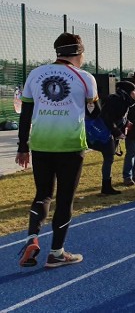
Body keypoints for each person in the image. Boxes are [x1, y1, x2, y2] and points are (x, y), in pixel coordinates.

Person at [15, 32, 96, 268]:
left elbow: (25, 115)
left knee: (43, 195)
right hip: (70, 146)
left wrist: (22, 147)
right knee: (64, 199)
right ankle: (57, 252)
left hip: (41, 144)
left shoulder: (36, 74)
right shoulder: (84, 78)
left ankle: (32, 237)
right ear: (78, 53)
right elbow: (95, 112)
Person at [98, 80, 135, 195]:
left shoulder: (123, 101)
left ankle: (106, 186)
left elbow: (116, 118)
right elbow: (107, 118)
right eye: (133, 91)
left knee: (109, 159)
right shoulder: (116, 100)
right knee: (108, 159)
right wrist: (117, 132)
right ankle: (106, 187)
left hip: (110, 133)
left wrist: (125, 123)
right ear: (127, 92)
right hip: (106, 134)